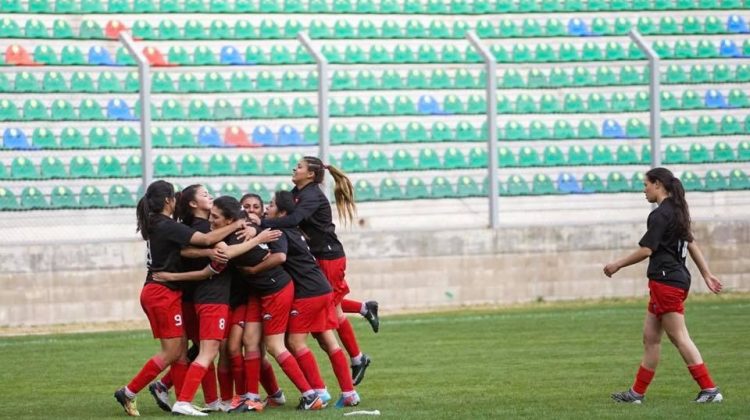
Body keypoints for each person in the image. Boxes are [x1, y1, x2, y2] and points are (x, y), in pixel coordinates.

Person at [114, 181, 247, 417]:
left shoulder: (161, 224)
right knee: (175, 351)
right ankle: (131, 391)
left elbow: (190, 249)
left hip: (163, 292)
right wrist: (238, 223)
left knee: (181, 351)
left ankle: (177, 396)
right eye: (173, 196)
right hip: (161, 292)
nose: (176, 199)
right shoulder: (166, 225)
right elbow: (206, 240)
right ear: (168, 201)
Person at [151, 196, 282, 416]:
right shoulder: (216, 238)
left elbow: (192, 253)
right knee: (209, 352)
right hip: (213, 301)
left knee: (210, 351)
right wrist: (255, 235)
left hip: (216, 301)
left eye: (216, 216)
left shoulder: (220, 233)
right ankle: (185, 401)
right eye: (211, 214)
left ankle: (216, 401)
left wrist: (251, 228)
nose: (211, 220)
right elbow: (217, 259)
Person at [252, 156, 378, 385]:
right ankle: (363, 309)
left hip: (328, 256)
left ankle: (357, 358)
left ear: (310, 174)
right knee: (327, 308)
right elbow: (282, 210)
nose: (294, 168)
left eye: (299, 166)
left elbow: (294, 218)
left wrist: (260, 226)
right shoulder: (297, 192)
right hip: (317, 256)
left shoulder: (312, 195)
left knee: (333, 310)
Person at [603, 167, 723, 404]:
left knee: (679, 337)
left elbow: (647, 249)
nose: (643, 190)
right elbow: (691, 244)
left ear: (657, 184)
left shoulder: (659, 215)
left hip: (667, 282)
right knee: (650, 338)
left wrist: (617, 264)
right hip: (670, 280)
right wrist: (706, 274)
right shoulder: (677, 211)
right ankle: (636, 394)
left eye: (645, 184)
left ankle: (710, 389)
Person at [258, 190, 361, 407]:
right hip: (321, 288)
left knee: (294, 342)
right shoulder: (293, 229)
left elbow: (280, 256)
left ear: (283, 212)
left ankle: (319, 391)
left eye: (271, 204)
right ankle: (349, 392)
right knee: (328, 340)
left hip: (308, 291)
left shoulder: (279, 229)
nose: (267, 208)